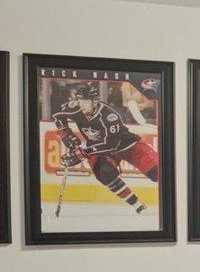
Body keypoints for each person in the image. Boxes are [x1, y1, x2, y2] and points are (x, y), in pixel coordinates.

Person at [54, 83, 159, 214]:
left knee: (158, 173)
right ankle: (137, 205)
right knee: (104, 173)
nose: (82, 105)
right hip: (100, 149)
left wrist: (84, 152)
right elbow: (58, 115)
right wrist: (64, 132)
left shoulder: (109, 115)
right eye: (80, 101)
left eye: (85, 101)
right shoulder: (76, 108)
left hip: (127, 145)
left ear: (95, 102)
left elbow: (110, 144)